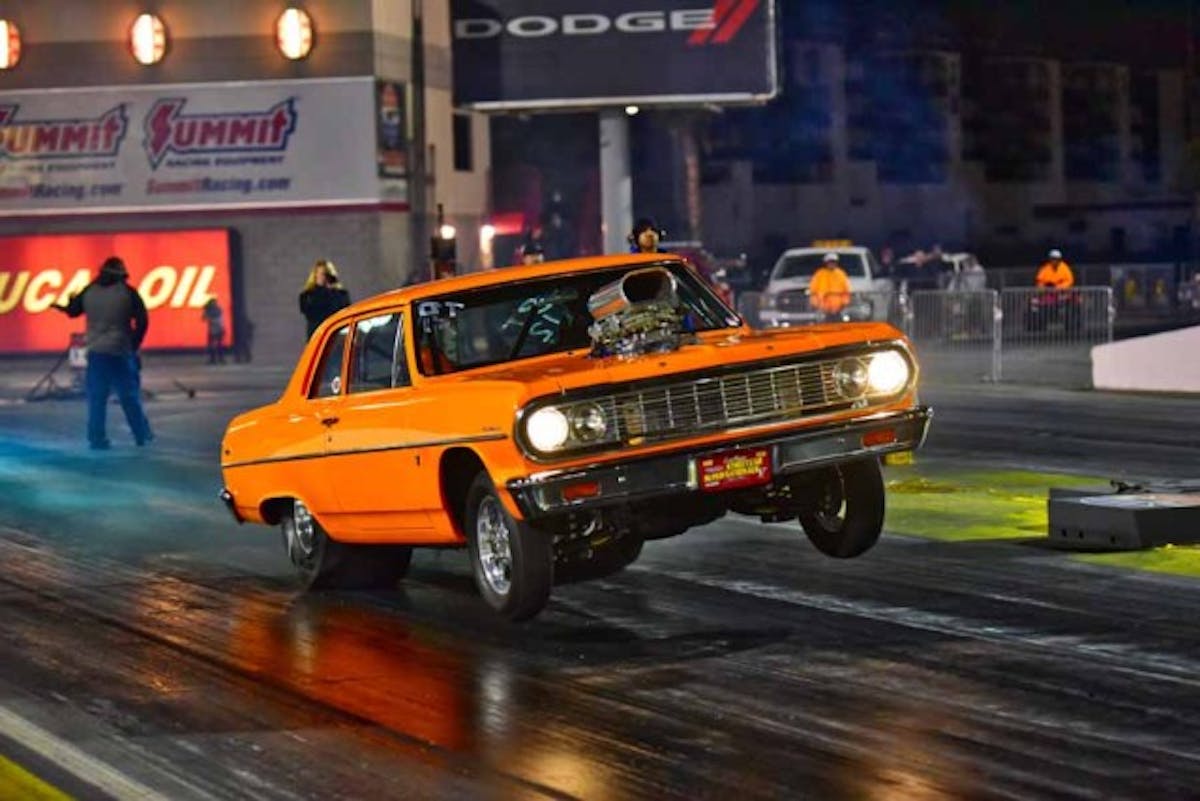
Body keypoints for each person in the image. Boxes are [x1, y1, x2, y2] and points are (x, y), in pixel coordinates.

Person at [54, 256, 153, 450]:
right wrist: (134, 344)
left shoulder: (90, 291)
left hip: (96, 352)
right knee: (129, 396)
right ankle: (141, 434)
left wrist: (66, 304)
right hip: (120, 351)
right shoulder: (127, 293)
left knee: (97, 399)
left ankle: (96, 439)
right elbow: (143, 321)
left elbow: (73, 311)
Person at [299, 259, 351, 339]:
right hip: (317, 336)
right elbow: (310, 312)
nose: (321, 277)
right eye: (319, 273)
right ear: (314, 275)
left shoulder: (340, 294)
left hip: (337, 336)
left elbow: (344, 311)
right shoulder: (307, 295)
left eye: (324, 274)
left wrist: (331, 292)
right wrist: (324, 292)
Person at [809, 252, 852, 319]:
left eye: (833, 261)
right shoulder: (819, 274)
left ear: (836, 263)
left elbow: (846, 291)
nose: (831, 263)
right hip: (822, 310)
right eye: (830, 262)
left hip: (839, 310)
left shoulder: (841, 274)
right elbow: (813, 291)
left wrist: (844, 304)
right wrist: (816, 305)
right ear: (826, 263)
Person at [201, 295, 226, 364]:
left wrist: (209, 318)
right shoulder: (208, 310)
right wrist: (205, 311)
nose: (214, 304)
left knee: (219, 345)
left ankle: (220, 359)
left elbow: (218, 320)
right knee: (212, 346)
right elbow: (203, 318)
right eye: (213, 303)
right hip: (212, 330)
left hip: (218, 329)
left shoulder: (218, 310)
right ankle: (213, 359)